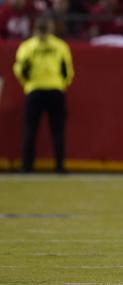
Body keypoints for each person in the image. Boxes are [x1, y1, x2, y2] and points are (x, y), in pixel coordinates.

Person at [12, 16, 74, 173]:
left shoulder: (27, 47)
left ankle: (27, 167)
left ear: (35, 29)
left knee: (30, 130)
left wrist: (28, 84)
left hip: (35, 91)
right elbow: (67, 71)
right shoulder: (60, 46)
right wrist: (62, 84)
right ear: (51, 29)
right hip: (55, 91)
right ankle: (59, 167)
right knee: (57, 131)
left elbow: (19, 70)